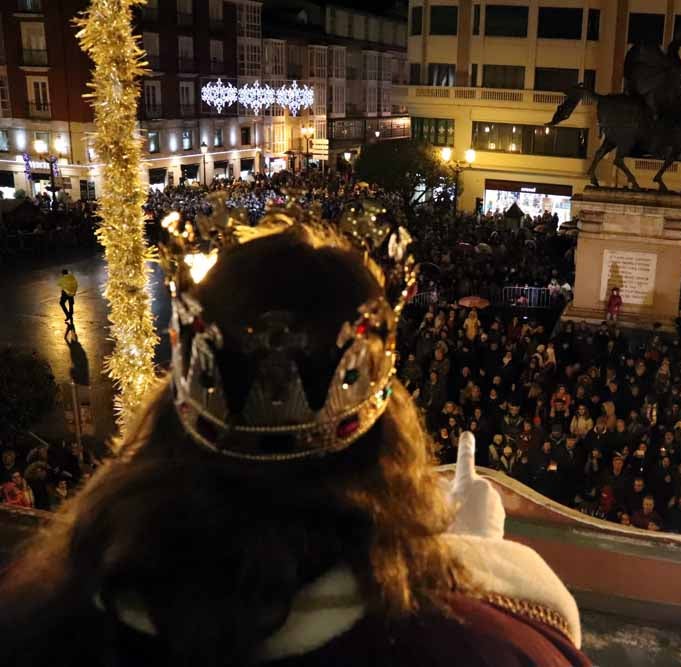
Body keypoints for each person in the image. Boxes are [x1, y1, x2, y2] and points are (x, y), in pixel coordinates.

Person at [0, 217, 588, 666]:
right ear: (388, 442)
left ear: (171, 425)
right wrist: (481, 565)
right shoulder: (491, 650)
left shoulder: (34, 619)